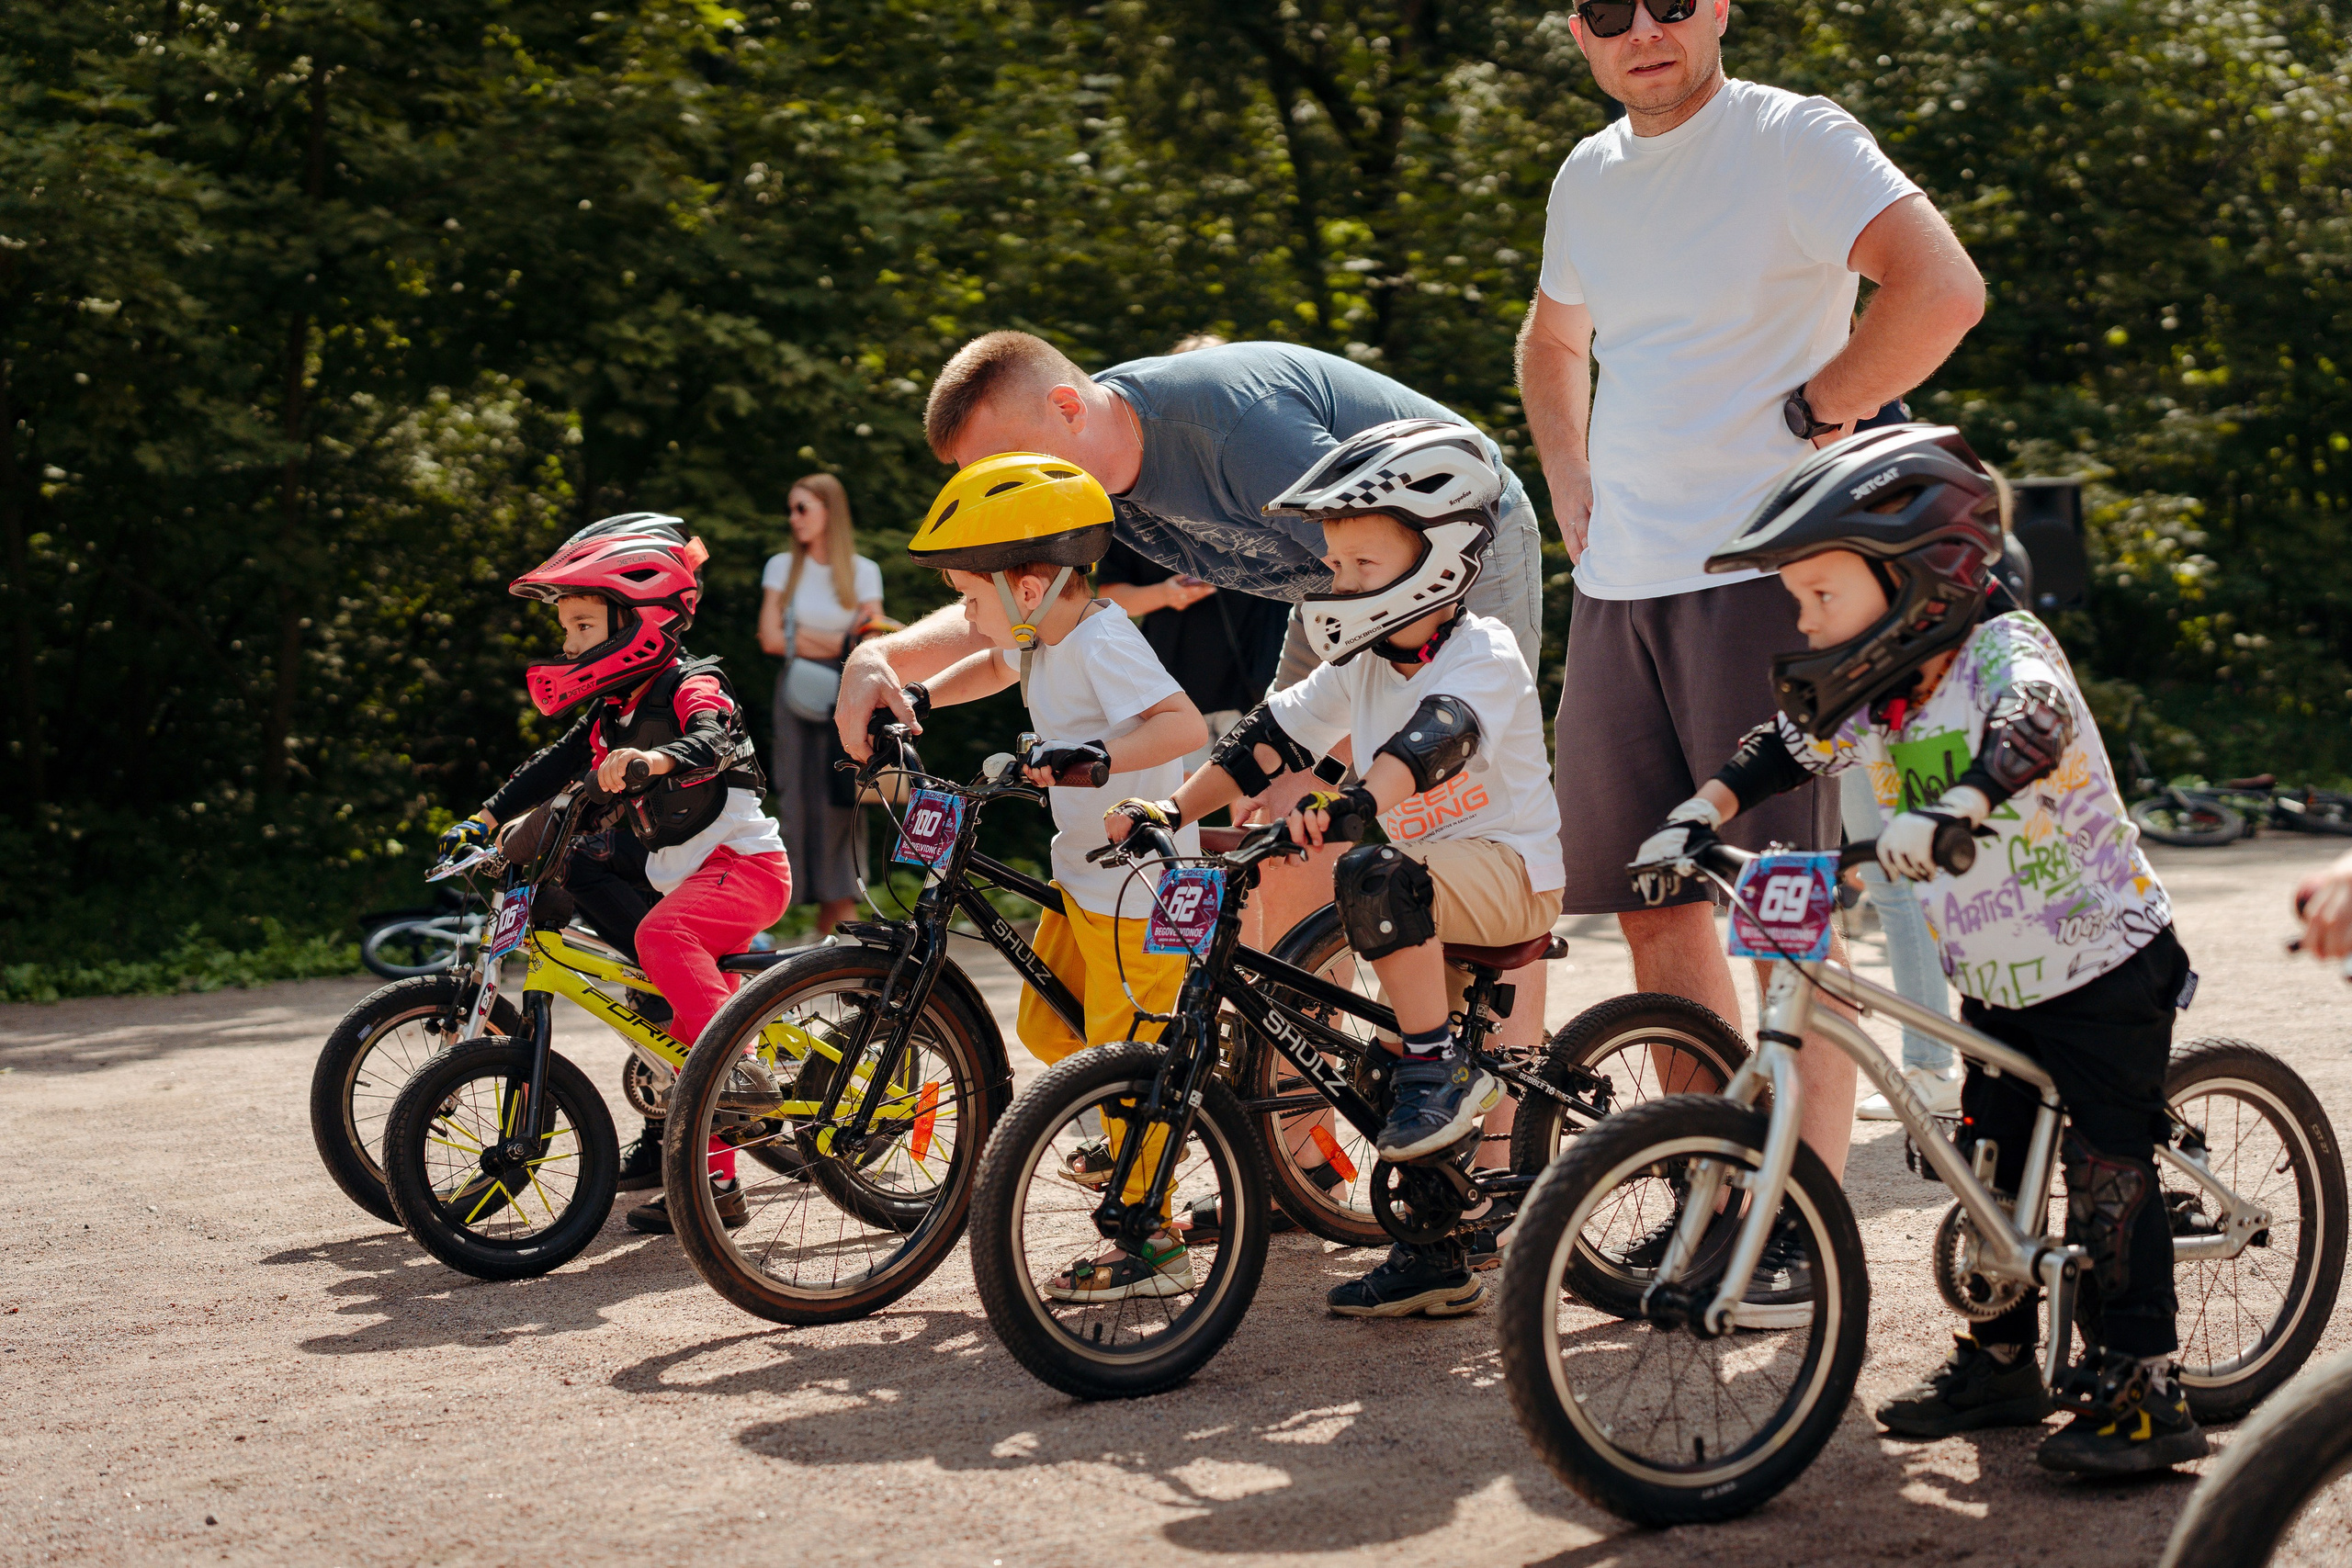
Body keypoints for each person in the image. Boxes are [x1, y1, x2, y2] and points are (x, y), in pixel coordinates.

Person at [1630, 424, 2203, 1475]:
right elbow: (1784, 746)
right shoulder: (1880, 681)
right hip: (1995, 979)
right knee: (1987, 1168)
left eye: (1820, 594)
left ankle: (2144, 1390)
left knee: (2104, 1174)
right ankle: (2001, 1362)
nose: (1805, 621)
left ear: (1920, 578)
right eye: (1797, 600)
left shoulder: (2001, 653)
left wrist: (1960, 803)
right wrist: (1699, 810)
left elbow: (2031, 727)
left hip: (2102, 964)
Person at [1519, 0, 1985, 1178]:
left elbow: (1941, 288)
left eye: (1670, 2)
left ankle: (1799, 1211)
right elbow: (1551, 339)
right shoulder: (1585, 174)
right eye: (1609, 11)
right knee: (1652, 902)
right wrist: (1566, 473)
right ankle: (1713, 1188)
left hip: (1768, 580)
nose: (1643, 29)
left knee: (1786, 912)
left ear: (1718, 7)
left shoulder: (1793, 136)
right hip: (1620, 587)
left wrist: (1827, 409)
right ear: (1577, 33)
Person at [836, 332, 1554, 1089]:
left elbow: (1370, 564)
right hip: (1327, 589)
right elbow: (1017, 599)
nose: (998, 492)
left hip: (1446, 546)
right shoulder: (1078, 473)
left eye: (1000, 463)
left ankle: (1502, 1129)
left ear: (1067, 408)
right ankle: (1297, 1127)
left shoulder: (1238, 435)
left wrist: (1333, 765)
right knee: (1278, 833)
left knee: (1461, 827)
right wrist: (880, 659)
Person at [1107, 420, 1564, 1318]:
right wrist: (1173, 809)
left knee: (1373, 876)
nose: (1341, 583)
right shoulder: (1358, 665)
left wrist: (1355, 800)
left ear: (1438, 558)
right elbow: (1268, 739)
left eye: (1362, 565)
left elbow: (1435, 738)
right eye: (1336, 565)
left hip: (1508, 873)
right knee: (1376, 1070)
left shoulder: (1482, 652)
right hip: (1423, 885)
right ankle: (1435, 1252)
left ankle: (1437, 1066)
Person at [902, 453, 1211, 1304]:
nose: (968, 614)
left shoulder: (1104, 639)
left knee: (1130, 1060)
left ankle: (1152, 1243)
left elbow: (1181, 725)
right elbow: (989, 667)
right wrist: (921, 696)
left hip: (1144, 894)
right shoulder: (1042, 639)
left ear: (1029, 588)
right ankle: (1140, 1129)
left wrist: (1099, 754)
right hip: (1085, 883)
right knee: (1048, 1024)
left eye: (971, 598)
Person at [436, 513, 790, 1235]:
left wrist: (657, 760)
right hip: (684, 875)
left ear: (641, 620)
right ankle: (718, 1184)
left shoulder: (693, 681)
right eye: (565, 629)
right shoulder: (610, 712)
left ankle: (739, 1070)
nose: (568, 644)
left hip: (745, 868)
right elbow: (552, 766)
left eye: (582, 626)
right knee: (670, 1022)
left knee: (664, 942)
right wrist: (484, 818)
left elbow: (713, 733)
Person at [757, 474, 885, 937]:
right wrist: (838, 640)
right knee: (795, 798)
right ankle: (806, 913)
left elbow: (872, 641)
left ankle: (840, 915)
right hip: (795, 695)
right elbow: (770, 639)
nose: (793, 519)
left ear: (829, 510)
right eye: (790, 509)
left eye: (802, 508)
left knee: (842, 798)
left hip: (848, 692)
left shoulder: (864, 570)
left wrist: (801, 636)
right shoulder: (781, 567)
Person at [1095, 538, 1286, 776]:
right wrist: (1165, 594)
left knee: (1259, 790)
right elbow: (1110, 597)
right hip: (1178, 690)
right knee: (1184, 792)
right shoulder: (1128, 520)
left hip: (1256, 681)